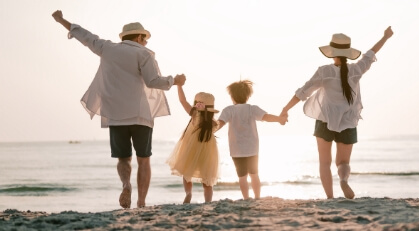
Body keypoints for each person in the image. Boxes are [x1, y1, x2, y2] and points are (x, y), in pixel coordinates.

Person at [52, 10, 186, 209]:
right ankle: (141, 202)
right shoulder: (143, 54)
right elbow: (152, 81)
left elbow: (85, 36)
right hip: (140, 115)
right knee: (143, 160)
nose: (146, 43)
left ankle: (126, 184)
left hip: (115, 115)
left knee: (123, 158)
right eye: (145, 39)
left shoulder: (107, 48)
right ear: (139, 37)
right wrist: (174, 81)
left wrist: (61, 20)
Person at [280, 27, 394, 199]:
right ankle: (343, 180)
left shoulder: (324, 72)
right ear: (347, 53)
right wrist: (385, 37)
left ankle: (330, 198)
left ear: (332, 52)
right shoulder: (356, 70)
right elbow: (370, 53)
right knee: (343, 162)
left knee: (324, 163)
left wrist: (285, 109)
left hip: (325, 120)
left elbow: (302, 92)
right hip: (348, 121)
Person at [217, 80, 287, 200]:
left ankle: (246, 198)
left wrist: (208, 131)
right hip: (252, 148)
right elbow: (267, 117)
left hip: (236, 149)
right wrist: (280, 119)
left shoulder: (228, 110)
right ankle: (257, 197)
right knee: (254, 175)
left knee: (242, 176)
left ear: (232, 96)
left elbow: (219, 124)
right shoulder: (252, 109)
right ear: (247, 95)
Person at [166, 85, 220, 204]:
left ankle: (188, 193)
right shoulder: (212, 122)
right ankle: (208, 201)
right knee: (207, 178)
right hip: (208, 149)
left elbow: (182, 100)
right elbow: (218, 126)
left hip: (191, 146)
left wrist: (179, 86)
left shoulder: (194, 114)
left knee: (186, 172)